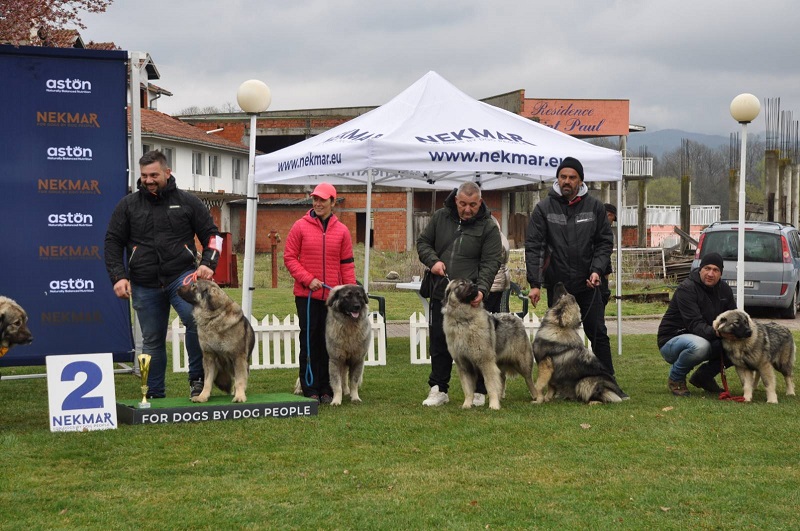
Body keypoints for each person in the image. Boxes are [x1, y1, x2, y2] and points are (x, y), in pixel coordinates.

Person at [105, 150, 221, 399]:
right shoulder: (128, 205)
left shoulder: (189, 202)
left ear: (167, 173)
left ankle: (198, 381)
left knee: (195, 322)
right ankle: (152, 392)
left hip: (182, 277)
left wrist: (209, 262)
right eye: (144, 175)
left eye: (154, 175)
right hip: (144, 282)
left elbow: (213, 236)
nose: (148, 180)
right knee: (151, 340)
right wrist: (119, 276)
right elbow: (113, 241)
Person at [525, 157, 627, 396]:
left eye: (572, 177)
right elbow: (535, 246)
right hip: (559, 286)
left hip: (588, 285)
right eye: (563, 177)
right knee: (556, 340)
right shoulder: (543, 208)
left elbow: (604, 243)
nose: (567, 181)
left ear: (580, 180)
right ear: (557, 179)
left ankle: (609, 381)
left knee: (597, 333)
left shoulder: (595, 207)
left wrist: (596, 270)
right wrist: (535, 283)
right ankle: (559, 386)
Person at [417, 182, 503, 407]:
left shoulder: (489, 227)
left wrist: (482, 289)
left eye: (473, 205)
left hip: (471, 296)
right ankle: (438, 388)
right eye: (463, 204)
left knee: (480, 346)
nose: (467, 209)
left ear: (480, 202)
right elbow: (423, 243)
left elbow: (491, 261)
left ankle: (480, 391)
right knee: (439, 342)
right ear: (456, 200)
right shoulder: (440, 217)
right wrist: (433, 261)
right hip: (441, 293)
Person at [284, 182, 356, 404]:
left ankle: (327, 388)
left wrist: (350, 292)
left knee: (331, 345)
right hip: (307, 297)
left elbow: (347, 265)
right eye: (315, 199)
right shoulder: (299, 226)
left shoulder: (342, 231)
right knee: (310, 342)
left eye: (323, 200)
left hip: (333, 301)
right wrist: (308, 279)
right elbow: (289, 258)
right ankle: (310, 387)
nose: (318, 203)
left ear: (333, 202)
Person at [657, 252, 736, 396]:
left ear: (721, 273)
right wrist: (718, 333)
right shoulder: (686, 289)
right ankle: (676, 378)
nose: (710, 273)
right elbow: (694, 324)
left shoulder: (725, 290)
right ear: (700, 269)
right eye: (707, 268)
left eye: (715, 270)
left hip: (706, 336)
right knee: (700, 346)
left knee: (737, 347)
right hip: (673, 339)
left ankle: (703, 376)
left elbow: (732, 317)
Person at [485, 215, 511, 313]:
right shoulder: (501, 237)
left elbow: (491, 262)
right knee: (497, 311)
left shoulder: (496, 242)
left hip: (495, 281)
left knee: (489, 312)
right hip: (500, 279)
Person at [600, 203, 618, 306]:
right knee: (602, 297)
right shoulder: (605, 232)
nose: (612, 223)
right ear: (609, 215)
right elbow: (605, 254)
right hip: (601, 273)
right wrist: (607, 273)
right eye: (612, 219)